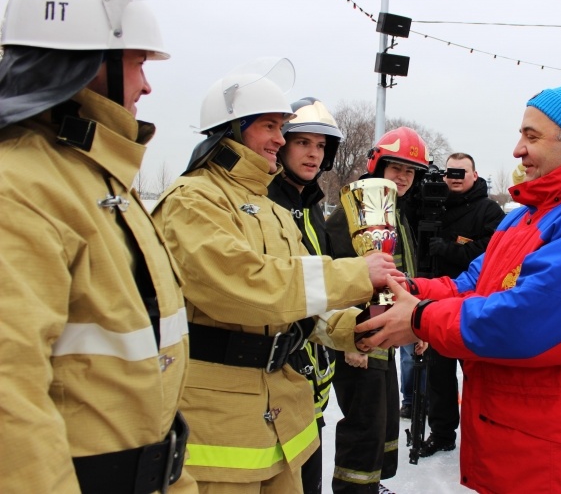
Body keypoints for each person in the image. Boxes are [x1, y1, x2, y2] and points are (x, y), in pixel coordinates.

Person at [355, 79, 561, 494]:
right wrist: (406, 285)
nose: (517, 149)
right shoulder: (524, 216)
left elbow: (528, 322)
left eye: (531, 135)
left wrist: (418, 319)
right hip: (519, 447)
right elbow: (473, 285)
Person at [151, 59, 402, 494]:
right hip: (219, 431)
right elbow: (247, 287)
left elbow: (296, 303)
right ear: (231, 128)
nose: (279, 139)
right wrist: (356, 274)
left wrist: (357, 330)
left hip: (285, 421)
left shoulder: (268, 207)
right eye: (271, 127)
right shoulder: (194, 201)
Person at [0, 0, 197, 493]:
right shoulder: (19, 187)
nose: (148, 84)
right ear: (89, 63)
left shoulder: (100, 180)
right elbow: (8, 404)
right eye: (138, 62)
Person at [326, 127, 429, 494]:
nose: (403, 177)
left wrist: (418, 325)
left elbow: (404, 272)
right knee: (364, 422)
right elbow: (335, 278)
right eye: (396, 168)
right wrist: (352, 338)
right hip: (360, 336)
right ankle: (354, 489)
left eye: (410, 171)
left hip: (386, 333)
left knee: (382, 421)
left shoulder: (394, 213)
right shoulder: (350, 214)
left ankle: (372, 484)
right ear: (378, 165)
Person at [266, 97, 343, 494]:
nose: (314, 154)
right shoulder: (264, 202)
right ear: (282, 144)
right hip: (277, 379)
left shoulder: (311, 205)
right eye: (303, 143)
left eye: (321, 146)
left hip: (312, 380)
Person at [419, 152, 505, 457]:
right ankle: (442, 433)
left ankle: (483, 436)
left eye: (461, 173)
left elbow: (493, 253)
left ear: (474, 174)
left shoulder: (489, 210)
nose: (454, 178)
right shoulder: (433, 205)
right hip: (436, 299)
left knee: (478, 376)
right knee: (438, 376)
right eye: (449, 173)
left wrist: (450, 250)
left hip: (475, 304)